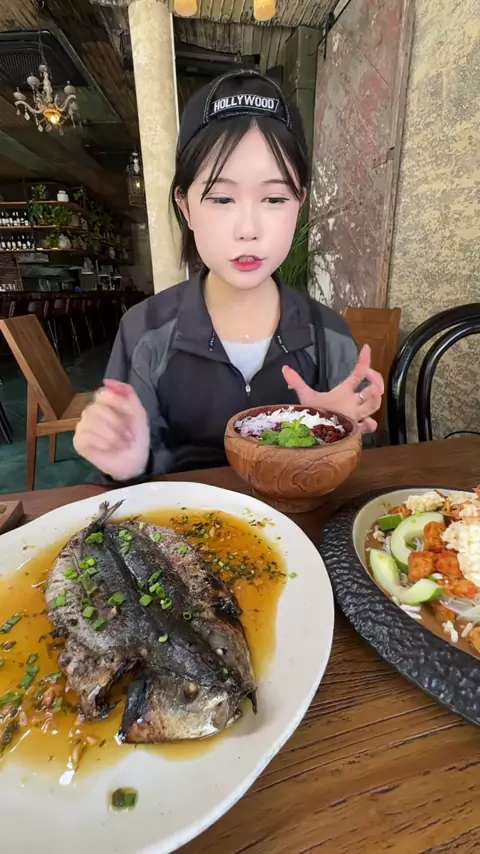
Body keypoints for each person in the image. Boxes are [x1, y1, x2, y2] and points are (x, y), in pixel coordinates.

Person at [73, 68, 383, 484]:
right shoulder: (143, 331)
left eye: (275, 198)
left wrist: (336, 435)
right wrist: (128, 465)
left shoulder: (329, 336)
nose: (248, 229)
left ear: (299, 203)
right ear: (185, 206)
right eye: (221, 198)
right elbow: (117, 492)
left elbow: (362, 484)